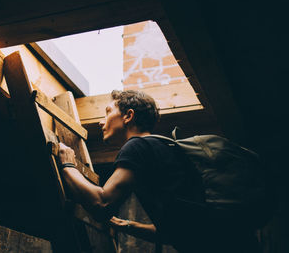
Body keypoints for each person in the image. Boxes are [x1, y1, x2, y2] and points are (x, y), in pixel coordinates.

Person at [58, 90, 259, 253]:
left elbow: (102, 204)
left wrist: (68, 165)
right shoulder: (163, 149)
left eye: (108, 112)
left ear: (128, 116)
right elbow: (178, 232)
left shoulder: (137, 146)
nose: (101, 122)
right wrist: (125, 225)